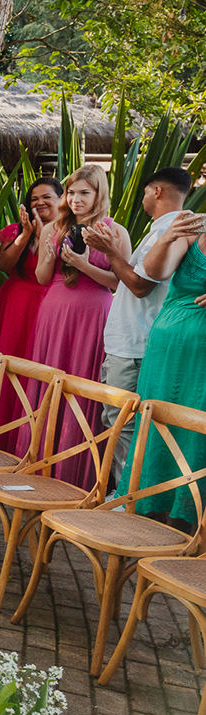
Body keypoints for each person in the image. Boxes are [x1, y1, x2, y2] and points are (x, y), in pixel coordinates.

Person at [85, 167, 191, 489]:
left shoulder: (172, 229)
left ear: (155, 191)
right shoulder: (163, 228)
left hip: (136, 345)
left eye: (145, 191)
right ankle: (124, 495)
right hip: (127, 341)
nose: (144, 197)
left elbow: (140, 285)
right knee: (117, 421)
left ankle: (127, 500)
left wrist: (110, 251)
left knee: (125, 425)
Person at [18, 164, 119, 487]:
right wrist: (49, 256)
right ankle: (38, 460)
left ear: (98, 194)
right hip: (56, 311)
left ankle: (75, 470)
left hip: (94, 314)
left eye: (84, 193)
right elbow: (43, 278)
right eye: (72, 192)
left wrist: (84, 265)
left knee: (82, 385)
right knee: (48, 382)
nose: (76, 199)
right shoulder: (54, 228)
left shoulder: (115, 232)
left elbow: (119, 282)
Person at [126, 207, 206, 520]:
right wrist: (168, 237)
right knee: (159, 428)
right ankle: (148, 513)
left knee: (196, 435)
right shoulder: (193, 226)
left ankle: (190, 523)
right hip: (168, 351)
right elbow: (154, 273)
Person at [0, 177, 63, 450]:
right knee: (6, 367)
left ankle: (25, 440)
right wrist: (26, 234)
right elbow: (4, 264)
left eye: (47, 197)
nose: (39, 202)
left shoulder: (66, 232)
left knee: (33, 368)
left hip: (47, 307)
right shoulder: (16, 229)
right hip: (14, 305)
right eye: (34, 198)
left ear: (62, 200)